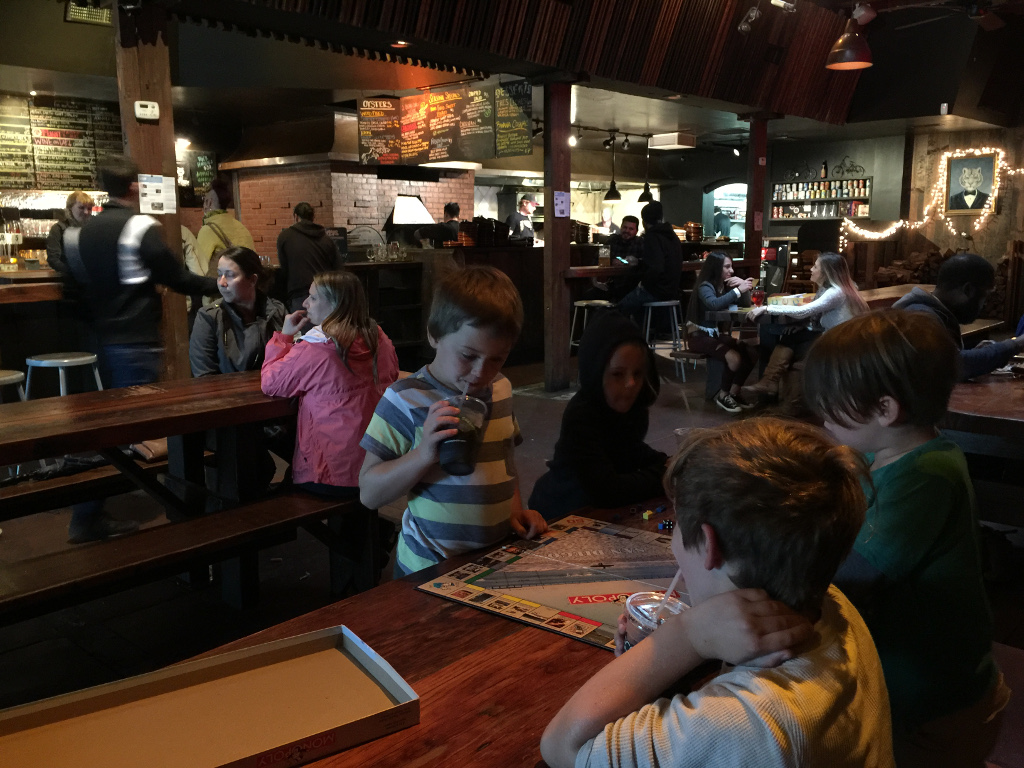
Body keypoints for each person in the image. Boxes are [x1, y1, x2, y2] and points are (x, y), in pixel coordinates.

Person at [540, 417, 894, 768]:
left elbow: (563, 745)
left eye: (677, 524)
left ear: (710, 546)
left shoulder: (741, 726)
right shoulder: (835, 604)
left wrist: (687, 636)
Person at [804, 310, 1009, 767]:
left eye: (831, 404)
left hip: (938, 711)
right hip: (910, 691)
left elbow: (854, 577)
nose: (822, 416)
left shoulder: (928, 473)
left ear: (884, 409)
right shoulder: (881, 456)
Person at [61, 154, 219, 543]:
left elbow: (71, 291)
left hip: (100, 341)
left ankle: (166, 499)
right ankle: (167, 505)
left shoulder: (78, 232)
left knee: (110, 428)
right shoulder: (138, 227)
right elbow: (176, 277)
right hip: (136, 341)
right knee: (132, 430)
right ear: (134, 186)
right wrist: (218, 286)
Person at [359, 265, 548, 577]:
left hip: (490, 562)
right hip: (428, 568)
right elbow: (369, 493)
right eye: (468, 356)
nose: (480, 373)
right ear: (434, 335)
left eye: (497, 359)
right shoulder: (405, 398)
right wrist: (423, 454)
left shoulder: (500, 389)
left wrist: (515, 512)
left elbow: (505, 462)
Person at [261, 270, 398, 496]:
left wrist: (283, 337)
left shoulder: (318, 347)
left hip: (329, 474)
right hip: (376, 464)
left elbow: (271, 383)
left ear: (336, 304)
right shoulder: (379, 338)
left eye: (313, 297)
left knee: (273, 494)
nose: (305, 303)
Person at [529, 311, 667, 520]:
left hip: (596, 511)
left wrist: (668, 462)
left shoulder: (633, 409)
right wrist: (663, 476)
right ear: (596, 372)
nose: (631, 384)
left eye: (638, 374)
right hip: (561, 511)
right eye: (617, 374)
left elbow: (628, 448)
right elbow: (606, 491)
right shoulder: (581, 415)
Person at [744, 251, 868, 403]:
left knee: (792, 343)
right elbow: (813, 315)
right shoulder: (834, 289)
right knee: (792, 337)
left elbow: (805, 311)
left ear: (826, 272)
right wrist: (803, 325)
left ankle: (773, 385)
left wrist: (767, 308)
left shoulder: (836, 292)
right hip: (835, 336)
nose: (811, 269)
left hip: (840, 341)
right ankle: (773, 384)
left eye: (815, 267)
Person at [893, 252, 1024, 380]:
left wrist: (975, 352)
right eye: (984, 297)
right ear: (968, 290)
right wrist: (1015, 344)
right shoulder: (919, 316)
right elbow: (954, 366)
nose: (983, 305)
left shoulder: (934, 313)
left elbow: (942, 358)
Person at [190, 246, 286, 376]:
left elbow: (289, 365)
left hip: (272, 392)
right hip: (226, 395)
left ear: (252, 280)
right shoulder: (209, 317)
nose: (221, 282)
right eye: (219, 274)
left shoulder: (276, 311)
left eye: (230, 275)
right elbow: (204, 376)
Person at [685, 251, 757, 414]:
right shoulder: (705, 285)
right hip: (699, 337)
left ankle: (734, 393)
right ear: (716, 268)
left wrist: (743, 288)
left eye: (731, 267)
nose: (731, 271)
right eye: (727, 267)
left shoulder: (724, 286)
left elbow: (745, 304)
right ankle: (723, 396)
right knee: (734, 358)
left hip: (714, 335)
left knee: (750, 353)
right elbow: (713, 304)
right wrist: (738, 290)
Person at [616, 201, 684, 334]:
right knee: (636, 308)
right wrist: (641, 262)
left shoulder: (652, 237)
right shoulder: (672, 236)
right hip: (672, 291)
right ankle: (643, 337)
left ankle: (623, 342)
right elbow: (661, 261)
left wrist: (643, 284)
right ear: (661, 218)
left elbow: (656, 268)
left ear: (644, 222)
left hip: (657, 291)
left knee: (619, 309)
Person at [276, 202, 341, 312]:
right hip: (325, 294)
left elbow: (284, 270)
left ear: (296, 217)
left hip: (299, 295)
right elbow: (338, 268)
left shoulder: (285, 237)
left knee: (303, 328)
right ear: (313, 217)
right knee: (325, 328)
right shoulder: (326, 239)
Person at [196, 177, 255, 285]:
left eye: (204, 201)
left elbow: (199, 269)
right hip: (244, 290)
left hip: (220, 293)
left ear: (208, 202)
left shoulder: (208, 230)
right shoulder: (241, 227)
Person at [45, 190, 93, 276]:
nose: (86, 212)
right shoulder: (59, 229)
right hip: (69, 281)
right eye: (81, 207)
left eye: (89, 208)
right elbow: (53, 259)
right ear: (70, 208)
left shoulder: (94, 228)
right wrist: (74, 272)